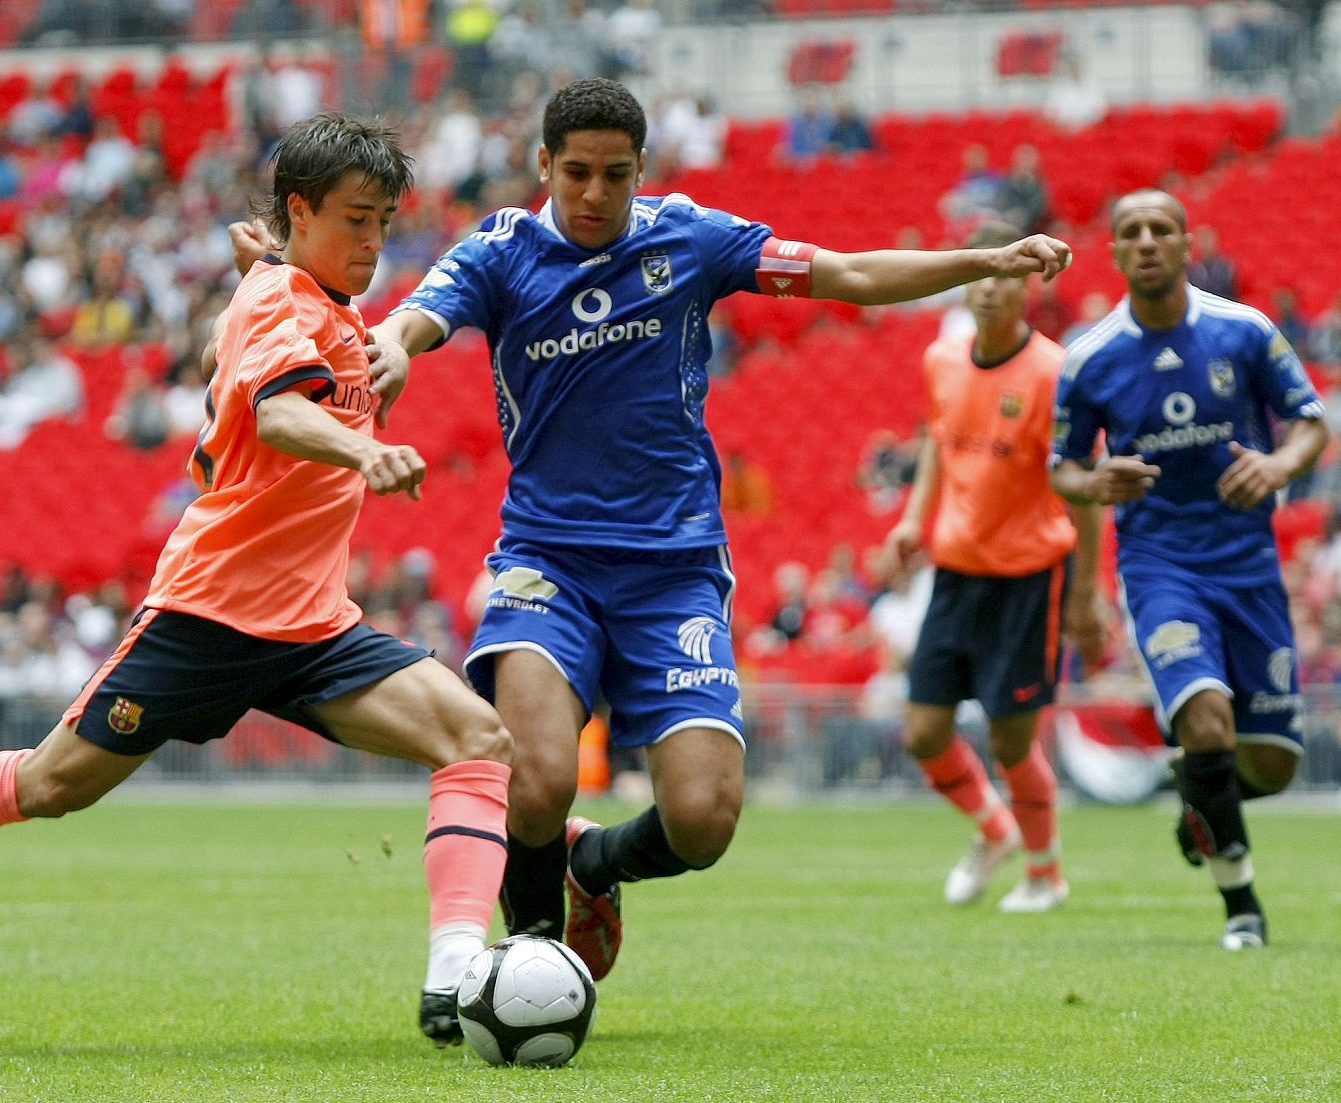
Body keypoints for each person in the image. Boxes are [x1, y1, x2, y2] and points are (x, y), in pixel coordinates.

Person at [0, 115, 515, 1048]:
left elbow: (320, 361)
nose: (375, 242)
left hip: (310, 626)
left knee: (474, 735)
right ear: (301, 211)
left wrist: (371, 345)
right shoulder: (279, 304)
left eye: (384, 221)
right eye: (355, 219)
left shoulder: (307, 299)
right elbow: (282, 413)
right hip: (206, 615)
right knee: (56, 785)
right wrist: (363, 445)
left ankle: (455, 978)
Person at [360, 78, 1071, 982]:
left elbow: (847, 273)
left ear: (640, 170)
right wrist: (394, 343)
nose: (593, 193)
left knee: (703, 821)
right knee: (534, 780)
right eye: (575, 172)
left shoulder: (687, 237)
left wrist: (982, 261)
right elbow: (425, 310)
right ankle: (530, 965)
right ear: (543, 166)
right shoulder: (502, 250)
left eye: (615, 174)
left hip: (674, 570)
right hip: (548, 561)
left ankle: (596, 866)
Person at [1050, 188, 1328, 950]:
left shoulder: (1245, 333)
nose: (1146, 241)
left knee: (1271, 764)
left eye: (1159, 229)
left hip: (1249, 567)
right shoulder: (1091, 358)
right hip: (1159, 566)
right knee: (1205, 719)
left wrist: (1276, 465)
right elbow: (1063, 471)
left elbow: (1309, 424)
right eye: (1130, 231)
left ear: (1186, 241)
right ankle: (1242, 907)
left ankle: (1199, 800)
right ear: (1113, 249)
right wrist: (1094, 483)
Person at [882, 220, 1105, 914]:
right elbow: (937, 447)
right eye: (981, 273)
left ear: (1026, 287)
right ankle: (994, 830)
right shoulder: (940, 360)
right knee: (923, 730)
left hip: (1029, 574)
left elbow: (1086, 489)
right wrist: (914, 519)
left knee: (1013, 739)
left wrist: (1086, 594)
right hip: (955, 568)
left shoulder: (1053, 372)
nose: (988, 288)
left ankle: (1045, 872)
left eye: (1005, 275)